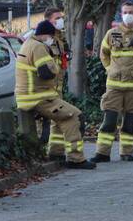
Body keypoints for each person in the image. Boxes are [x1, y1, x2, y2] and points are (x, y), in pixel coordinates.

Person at [15, 20, 94, 169]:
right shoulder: (38, 47)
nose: (51, 39)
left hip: (30, 96)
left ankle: (56, 153)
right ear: (45, 34)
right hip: (39, 97)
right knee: (74, 116)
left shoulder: (27, 44)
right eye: (51, 36)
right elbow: (46, 73)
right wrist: (56, 68)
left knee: (62, 119)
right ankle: (76, 159)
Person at [92, 0, 133, 162]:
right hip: (114, 87)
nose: (128, 15)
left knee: (130, 123)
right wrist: (109, 69)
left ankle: (127, 153)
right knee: (109, 121)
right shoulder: (111, 34)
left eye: (130, 12)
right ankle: (102, 153)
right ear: (121, 14)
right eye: (125, 12)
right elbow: (103, 54)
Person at [43, 7, 69, 161]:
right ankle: (52, 152)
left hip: (58, 87)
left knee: (58, 121)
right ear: (48, 20)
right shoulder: (44, 39)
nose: (60, 20)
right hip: (47, 88)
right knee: (57, 120)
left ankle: (56, 152)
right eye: (57, 18)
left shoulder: (59, 37)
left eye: (61, 17)